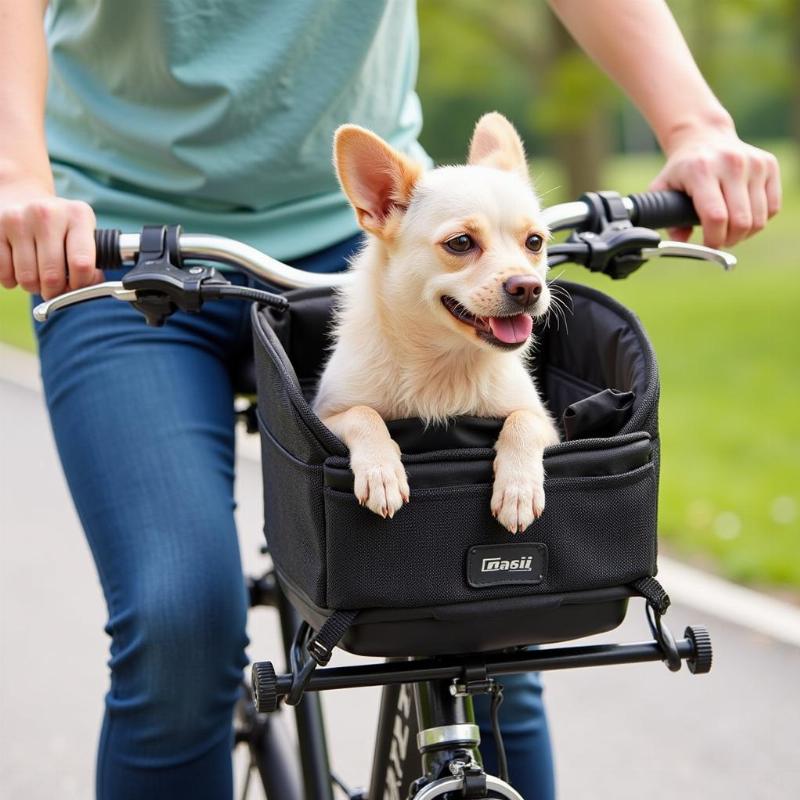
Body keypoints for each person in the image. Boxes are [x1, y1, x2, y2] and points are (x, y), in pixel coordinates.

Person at [0, 1, 781, 798]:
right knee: (180, 625)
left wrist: (695, 123)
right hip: (115, 245)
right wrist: (17, 177)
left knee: (495, 616)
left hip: (387, 246)